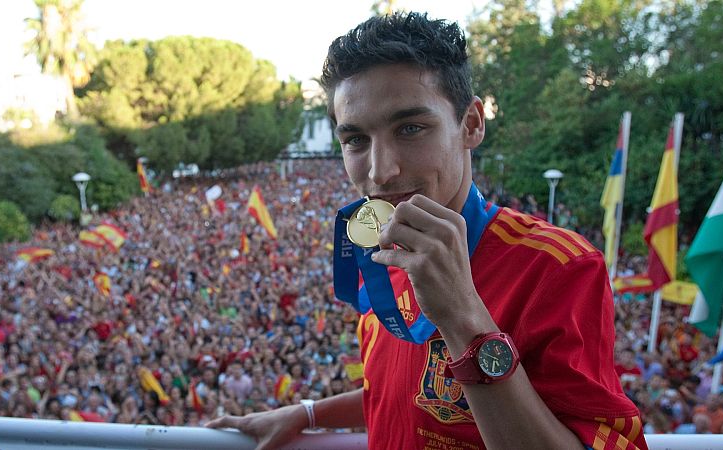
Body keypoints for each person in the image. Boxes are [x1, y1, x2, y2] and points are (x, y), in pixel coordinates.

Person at [209, 11, 648, 449]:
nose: (380, 172)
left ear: (471, 124)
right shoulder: (387, 254)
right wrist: (309, 413)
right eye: (356, 140)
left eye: (411, 128)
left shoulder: (557, 267)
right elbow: (410, 393)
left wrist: (461, 316)